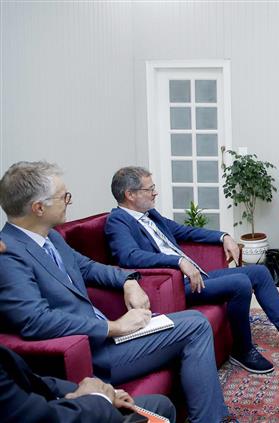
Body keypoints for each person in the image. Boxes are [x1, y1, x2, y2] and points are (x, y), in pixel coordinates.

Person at [0, 161, 231, 423]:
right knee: (196, 325)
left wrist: (129, 281)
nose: (69, 201)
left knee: (193, 321)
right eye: (64, 196)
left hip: (105, 338)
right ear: (38, 208)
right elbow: (36, 321)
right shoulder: (9, 255)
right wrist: (114, 327)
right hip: (92, 351)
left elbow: (87, 267)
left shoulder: (50, 237)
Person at [105, 166, 279, 375]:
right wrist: (178, 261)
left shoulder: (150, 215)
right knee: (240, 283)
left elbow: (185, 232)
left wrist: (223, 236)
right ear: (130, 194)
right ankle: (242, 350)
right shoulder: (117, 221)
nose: (155, 192)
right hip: (173, 287)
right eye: (150, 189)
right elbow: (129, 256)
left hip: (195, 277)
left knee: (259, 273)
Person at [0, 342, 176, 423]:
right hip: (62, 414)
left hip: (59, 404)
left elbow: (37, 382)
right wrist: (98, 398)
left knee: (161, 405)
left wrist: (101, 392)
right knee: (196, 324)